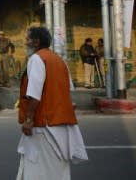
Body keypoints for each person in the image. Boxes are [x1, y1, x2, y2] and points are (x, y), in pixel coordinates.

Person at [16, 26, 88, 179]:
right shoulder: (59, 60)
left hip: (44, 126)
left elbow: (34, 95)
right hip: (61, 125)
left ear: (36, 42)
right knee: (57, 170)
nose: (25, 43)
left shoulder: (37, 59)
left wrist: (28, 120)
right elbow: (67, 92)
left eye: (27, 39)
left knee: (39, 170)